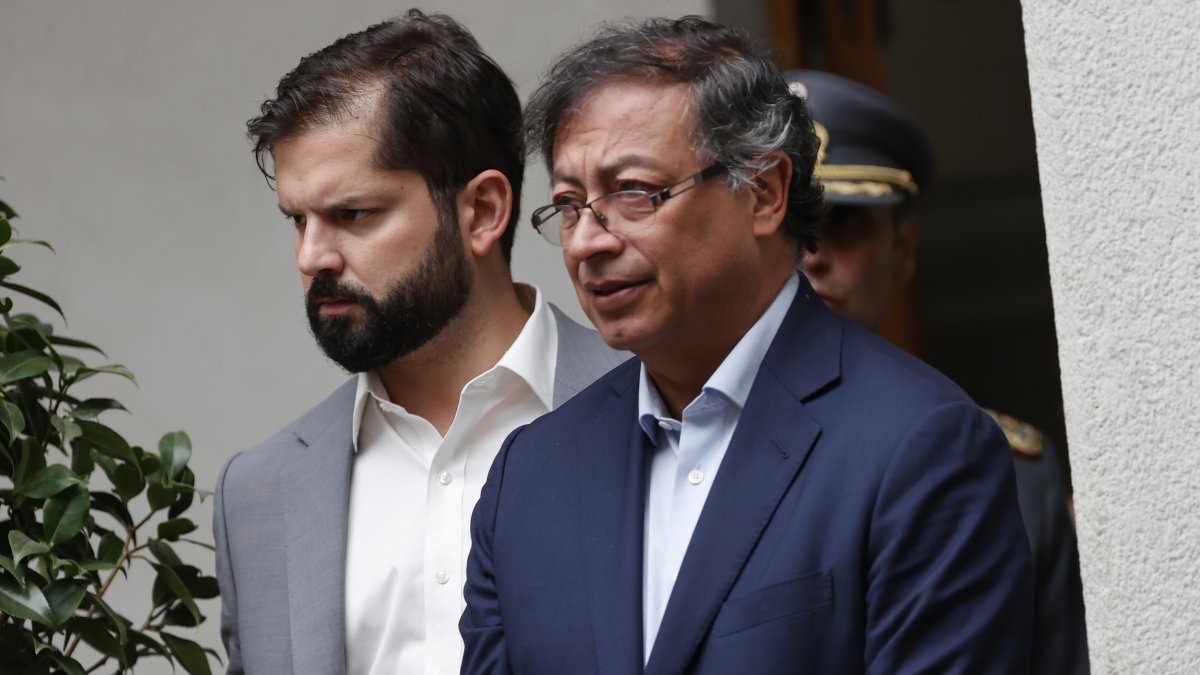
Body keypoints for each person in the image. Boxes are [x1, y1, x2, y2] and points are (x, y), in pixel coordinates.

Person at [460, 16, 1032, 675]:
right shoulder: (530, 477)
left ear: (762, 192)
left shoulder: (917, 447)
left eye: (634, 193)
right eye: (568, 203)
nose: (588, 240)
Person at [212, 11, 626, 675]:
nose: (312, 256)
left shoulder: (663, 411)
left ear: (483, 211)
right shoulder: (259, 493)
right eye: (298, 220)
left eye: (354, 215)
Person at [791, 69, 1090, 674]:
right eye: (791, 224)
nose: (813, 254)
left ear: (904, 249)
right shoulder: (671, 442)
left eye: (844, 223)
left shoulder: (1012, 471)